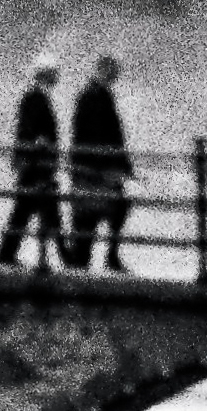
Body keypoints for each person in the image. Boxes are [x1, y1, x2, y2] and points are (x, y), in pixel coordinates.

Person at [0, 53, 65, 266]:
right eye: (54, 74)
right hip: (36, 166)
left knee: (26, 211)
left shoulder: (35, 96)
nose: (57, 78)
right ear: (47, 74)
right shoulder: (36, 97)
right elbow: (31, 130)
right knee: (41, 212)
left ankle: (6, 255)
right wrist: (39, 145)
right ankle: (68, 258)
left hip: (34, 165)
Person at [65, 54, 134, 271]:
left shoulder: (93, 95)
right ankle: (104, 259)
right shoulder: (96, 96)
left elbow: (106, 135)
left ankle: (88, 261)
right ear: (104, 71)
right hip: (95, 169)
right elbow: (105, 135)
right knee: (105, 211)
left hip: (91, 168)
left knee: (98, 215)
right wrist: (117, 166)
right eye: (113, 74)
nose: (114, 78)